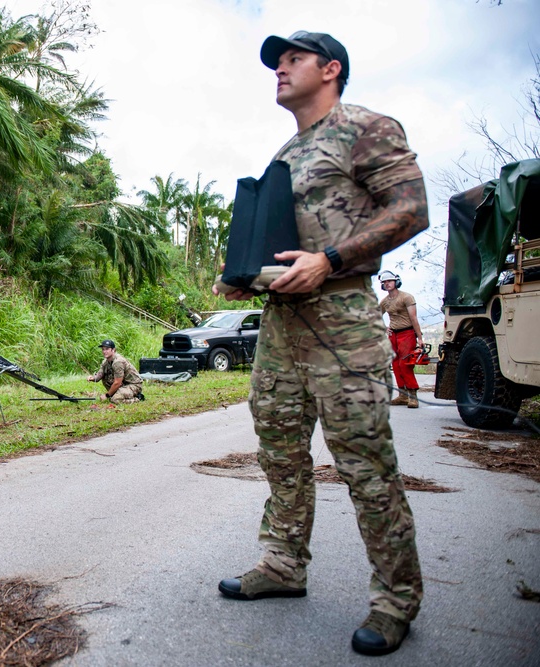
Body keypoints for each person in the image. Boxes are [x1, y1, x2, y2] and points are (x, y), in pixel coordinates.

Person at [212, 31, 428, 656]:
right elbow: (283, 233)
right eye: (277, 63)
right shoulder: (286, 151)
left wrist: (330, 259)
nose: (279, 71)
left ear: (331, 70)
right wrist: (246, 274)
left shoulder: (366, 127)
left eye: (293, 60)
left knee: (364, 464)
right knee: (279, 451)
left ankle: (395, 599)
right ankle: (283, 565)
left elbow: (411, 208)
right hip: (281, 325)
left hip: (343, 323)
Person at [378, 270, 425, 408]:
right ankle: (402, 395)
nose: (387, 284)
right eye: (384, 282)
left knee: (405, 364)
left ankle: (413, 396)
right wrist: (384, 328)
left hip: (407, 333)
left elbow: (414, 318)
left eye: (389, 281)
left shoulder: (407, 297)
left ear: (396, 282)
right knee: (396, 364)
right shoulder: (385, 302)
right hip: (393, 334)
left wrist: (420, 338)